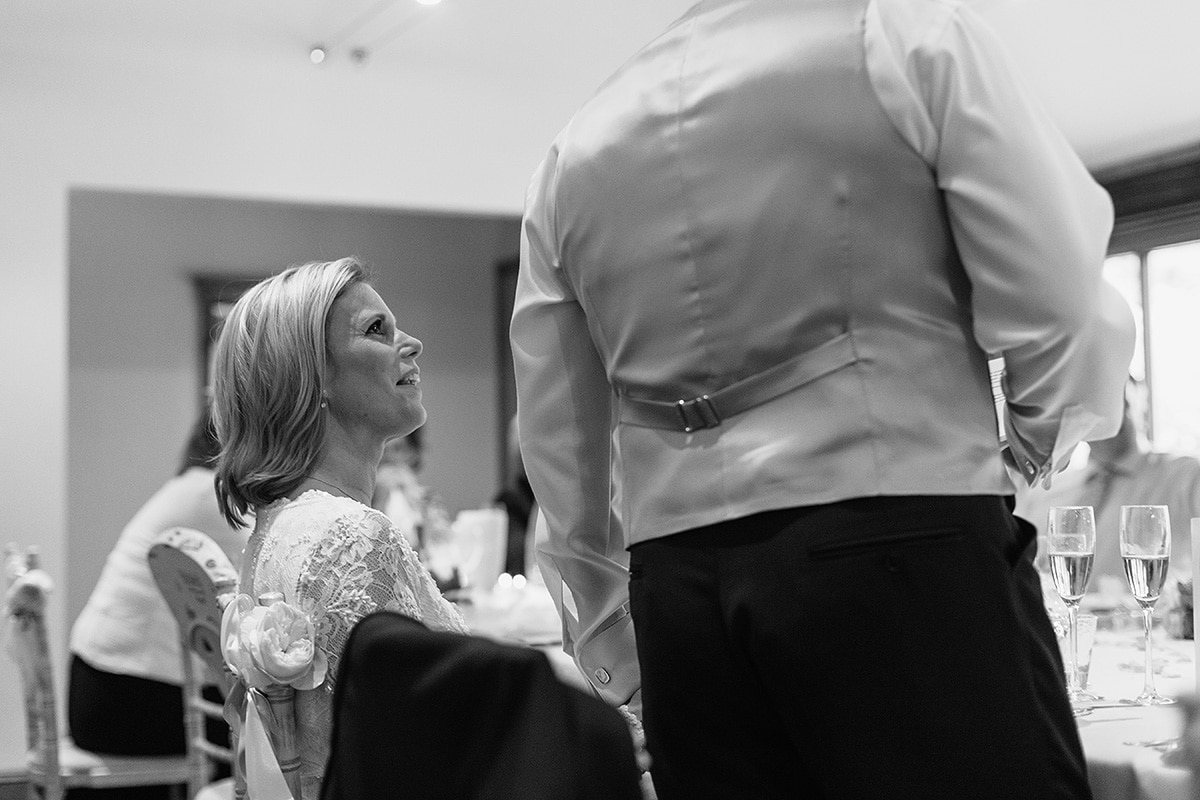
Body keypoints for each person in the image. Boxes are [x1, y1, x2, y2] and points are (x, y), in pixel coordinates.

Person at [510, 1, 1136, 798]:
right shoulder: (903, 38)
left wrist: (608, 629)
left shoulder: (573, 152)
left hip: (681, 592)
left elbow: (558, 432)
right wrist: (1044, 429)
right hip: (901, 542)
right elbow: (1059, 294)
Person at [211, 257, 467, 799]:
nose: (413, 343)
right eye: (378, 330)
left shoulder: (277, 529)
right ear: (313, 376)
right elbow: (412, 757)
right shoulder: (351, 536)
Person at [67, 407, 247, 800]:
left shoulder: (192, 486)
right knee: (272, 729)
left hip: (99, 689)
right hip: (123, 701)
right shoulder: (214, 494)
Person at [1016, 384, 1200, 599]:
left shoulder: (1186, 477)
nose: (1109, 417)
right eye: (1096, 408)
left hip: (1146, 627)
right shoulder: (1046, 489)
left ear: (1142, 402)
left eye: (1119, 403)